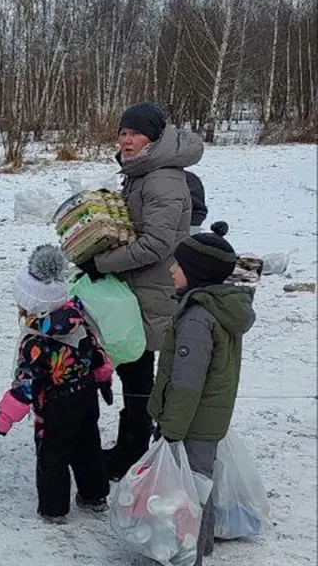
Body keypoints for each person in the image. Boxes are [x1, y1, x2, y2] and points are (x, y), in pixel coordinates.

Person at [79, 102, 203, 479]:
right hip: (135, 287)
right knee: (134, 367)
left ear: (154, 137)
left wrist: (99, 263)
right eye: (123, 133)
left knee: (138, 370)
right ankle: (132, 445)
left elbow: (155, 245)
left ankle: (133, 450)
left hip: (152, 290)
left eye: (135, 133)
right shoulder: (141, 173)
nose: (127, 140)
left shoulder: (162, 178)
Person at [149, 223, 254, 566]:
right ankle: (201, 545)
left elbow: (187, 382)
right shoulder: (218, 307)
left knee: (187, 492)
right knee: (200, 486)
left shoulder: (197, 319)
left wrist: (172, 429)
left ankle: (185, 555)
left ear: (194, 273)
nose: (171, 269)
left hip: (192, 422)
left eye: (177, 265)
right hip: (208, 418)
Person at [0, 245, 113, 524]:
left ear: (32, 305)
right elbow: (96, 351)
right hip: (85, 395)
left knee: (53, 456)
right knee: (88, 446)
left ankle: (54, 508)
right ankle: (95, 495)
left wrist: (6, 416)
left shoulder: (35, 341)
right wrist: (103, 377)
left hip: (55, 404)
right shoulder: (78, 319)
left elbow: (26, 384)